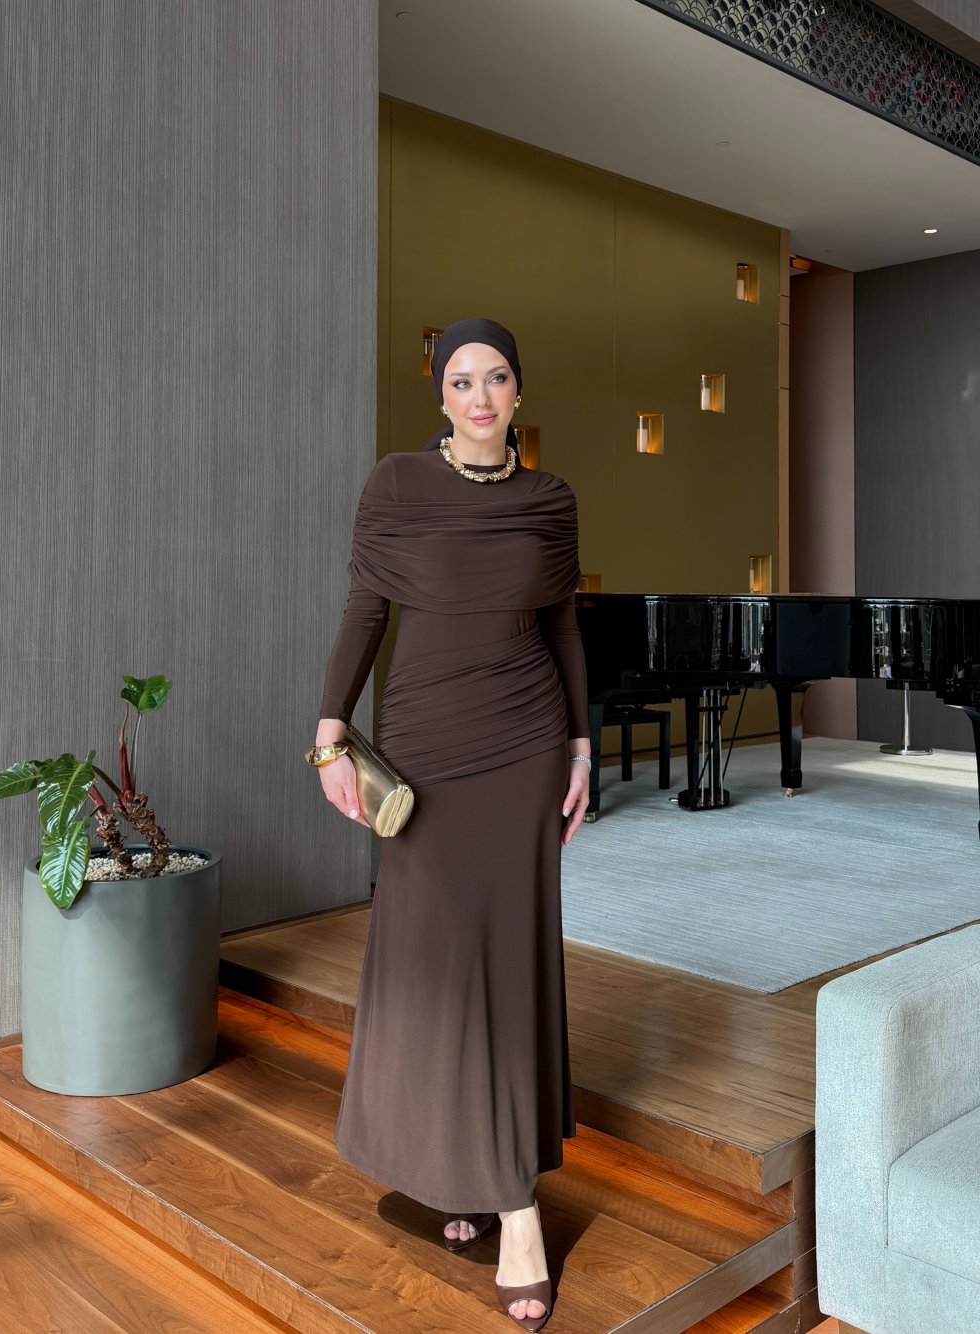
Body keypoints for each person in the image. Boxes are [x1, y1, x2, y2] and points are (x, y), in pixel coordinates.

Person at [313, 317, 590, 1330]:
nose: (480, 396)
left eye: (497, 378)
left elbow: (562, 624)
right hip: (424, 749)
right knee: (433, 959)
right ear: (440, 394)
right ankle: (452, 1164)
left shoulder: (550, 501)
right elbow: (365, 607)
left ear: (518, 392)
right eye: (462, 380)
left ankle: (514, 1203)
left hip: (523, 742)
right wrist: (329, 730)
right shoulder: (394, 485)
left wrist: (582, 748)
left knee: (504, 962)